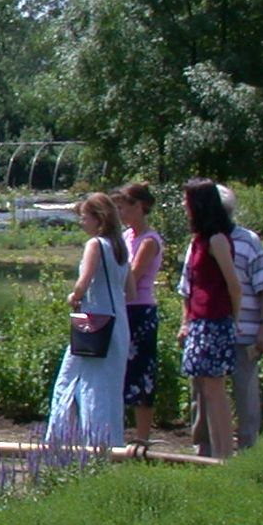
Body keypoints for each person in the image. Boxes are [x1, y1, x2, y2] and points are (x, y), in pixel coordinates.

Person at [45, 192, 131, 448]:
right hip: (119, 322)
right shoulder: (121, 247)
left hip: (93, 322)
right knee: (108, 387)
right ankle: (110, 441)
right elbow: (132, 290)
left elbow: (84, 282)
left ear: (98, 218)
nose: (81, 222)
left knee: (74, 382)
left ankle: (67, 440)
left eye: (84, 217)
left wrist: (74, 296)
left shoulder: (96, 245)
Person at [178, 177, 243, 459]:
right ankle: (215, 453)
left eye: (187, 200)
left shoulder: (217, 240)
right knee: (205, 388)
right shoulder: (198, 241)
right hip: (200, 321)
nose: (183, 205)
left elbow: (234, 285)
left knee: (215, 389)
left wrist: (233, 319)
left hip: (216, 321)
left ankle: (225, 454)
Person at [220, 185, 263, 452]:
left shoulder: (248, 241)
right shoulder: (198, 242)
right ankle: (207, 450)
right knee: (204, 394)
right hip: (211, 332)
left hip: (244, 332)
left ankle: (248, 451)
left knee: (246, 396)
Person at [112, 182, 164, 448]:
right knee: (118, 368)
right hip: (120, 308)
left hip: (139, 310)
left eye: (124, 207)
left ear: (139, 206)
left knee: (141, 370)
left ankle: (142, 436)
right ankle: (117, 430)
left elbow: (132, 276)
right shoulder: (126, 236)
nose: (120, 212)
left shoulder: (149, 241)